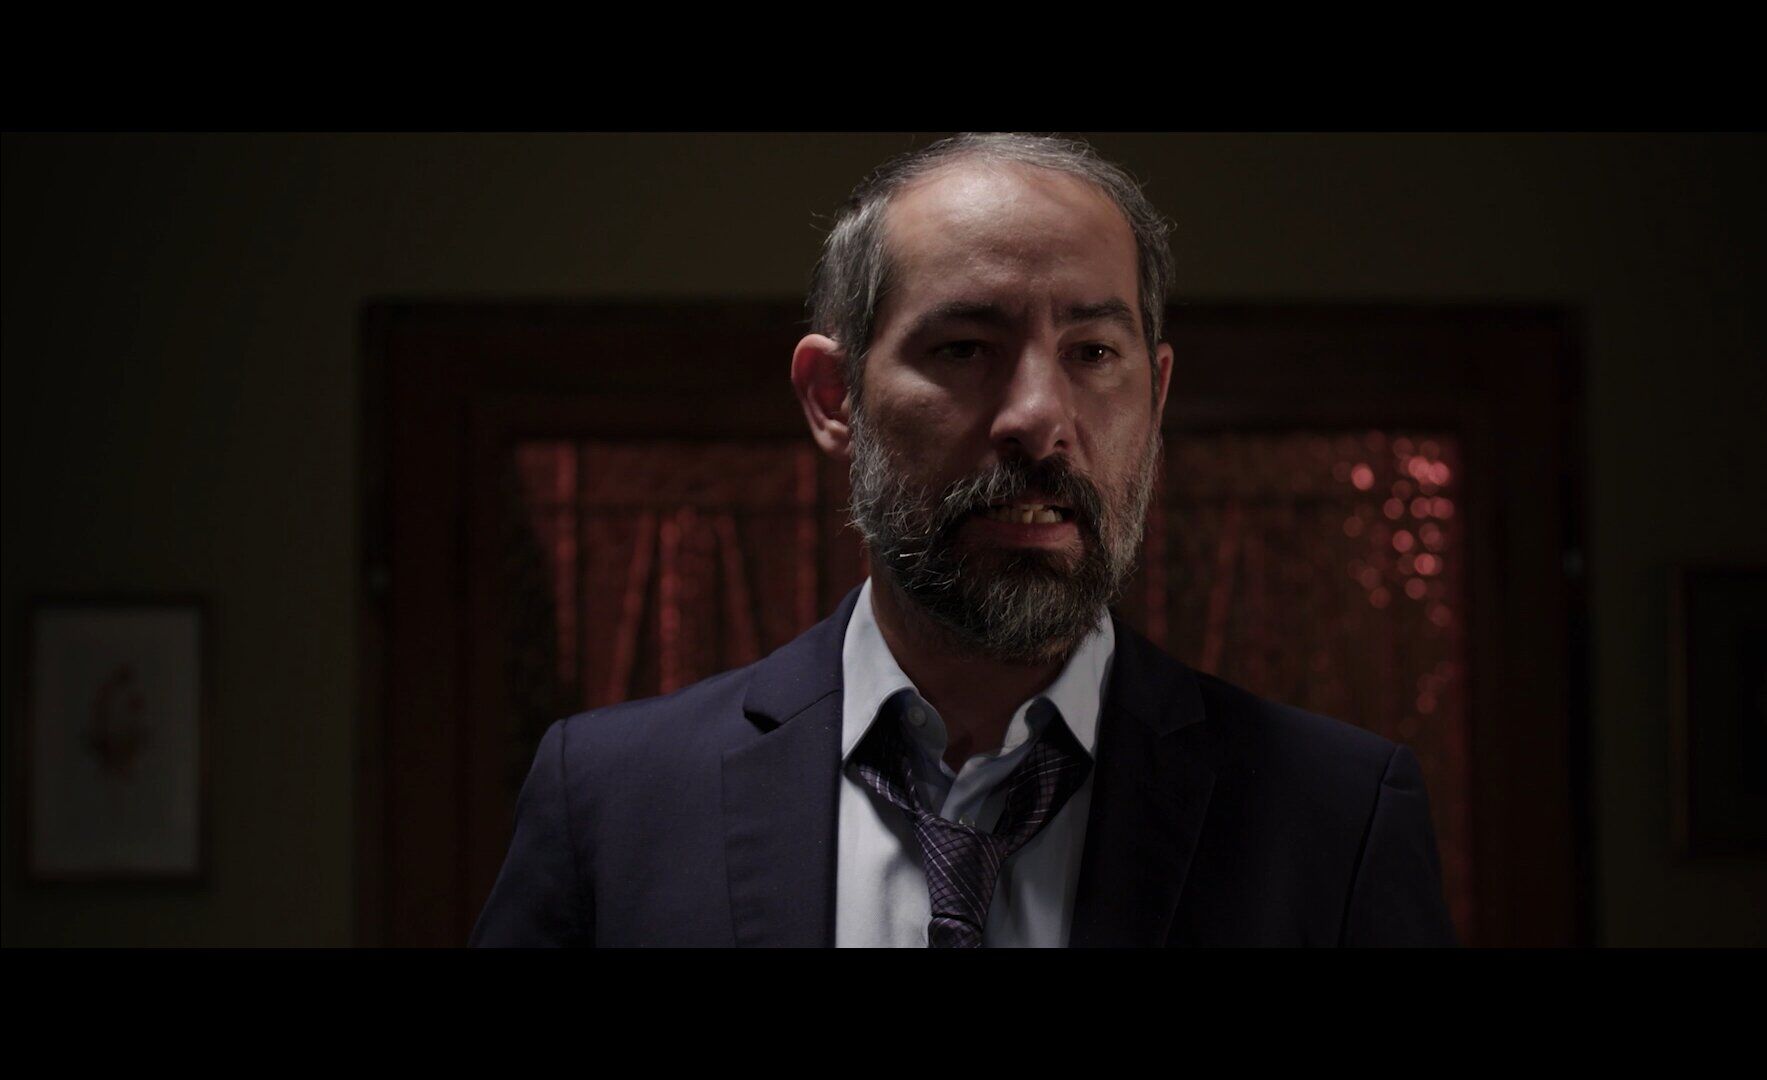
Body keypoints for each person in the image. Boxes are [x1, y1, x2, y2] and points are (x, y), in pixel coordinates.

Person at [470, 133, 1457, 947]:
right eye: (965, 349)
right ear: (834, 397)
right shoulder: (612, 802)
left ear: (1155, 398)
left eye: (1093, 353)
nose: (1039, 418)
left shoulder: (1338, 819)